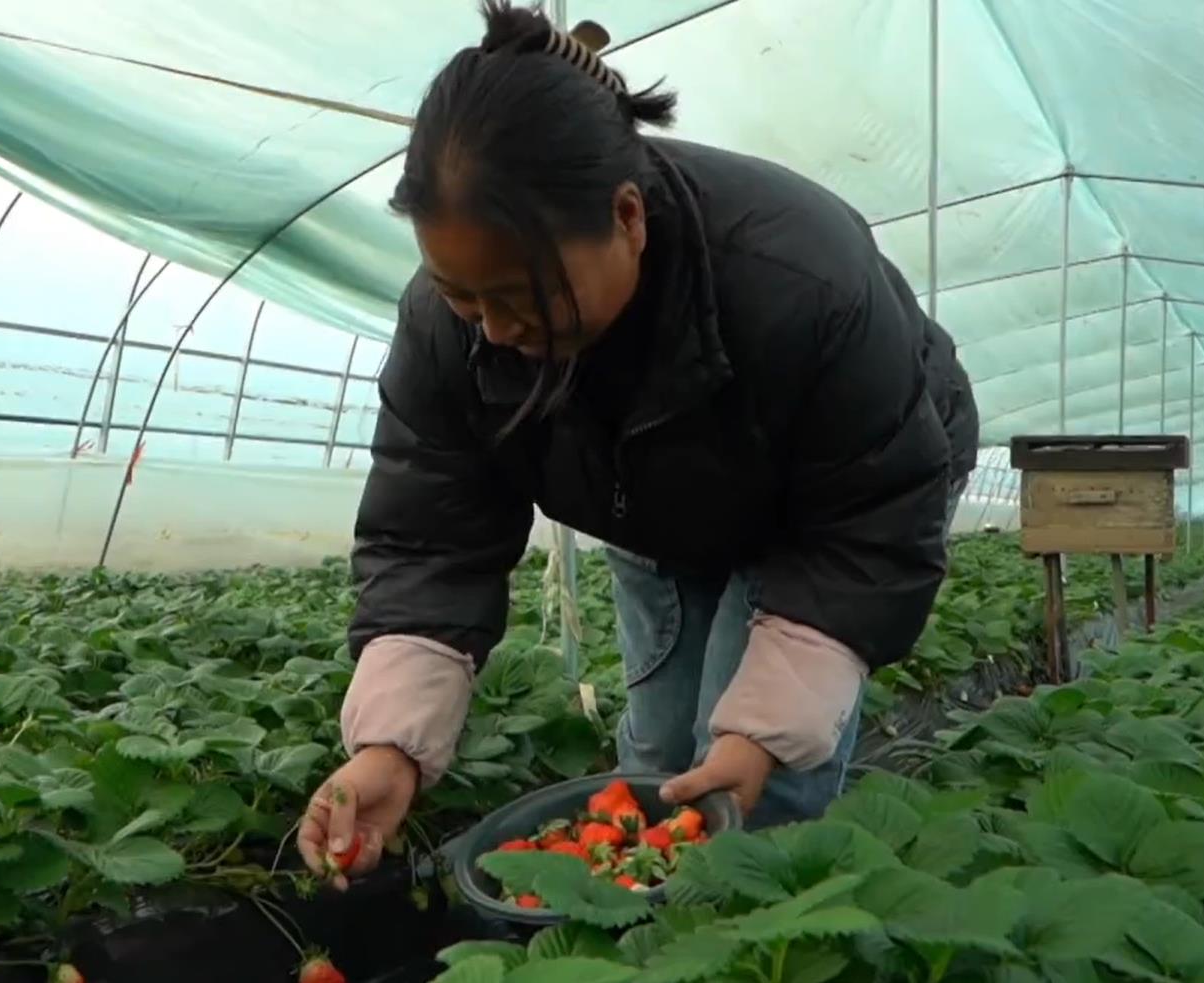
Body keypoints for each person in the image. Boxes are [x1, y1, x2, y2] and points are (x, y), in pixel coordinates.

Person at [299, 2, 979, 887]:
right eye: (465, 297)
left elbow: (864, 526)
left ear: (627, 217)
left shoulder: (800, 281)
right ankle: (632, 927)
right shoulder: (449, 329)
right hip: (655, 496)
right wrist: (389, 747)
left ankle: (740, 922)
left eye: (520, 296)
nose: (497, 329)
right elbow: (433, 536)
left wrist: (762, 734)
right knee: (660, 754)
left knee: (745, 785)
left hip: (834, 501)